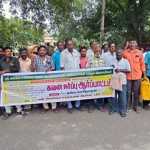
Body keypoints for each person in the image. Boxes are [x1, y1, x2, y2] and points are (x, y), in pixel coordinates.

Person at [0, 47, 24, 119]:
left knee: (15, 94)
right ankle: (8, 111)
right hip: (4, 82)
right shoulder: (1, 61)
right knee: (6, 96)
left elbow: (17, 68)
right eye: (7, 51)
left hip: (13, 80)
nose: (9, 53)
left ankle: (19, 109)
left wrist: (7, 70)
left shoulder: (15, 59)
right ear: (4, 52)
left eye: (10, 51)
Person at [123, 40, 145, 113]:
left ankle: (135, 106)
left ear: (136, 45)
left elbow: (142, 64)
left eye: (133, 44)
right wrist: (125, 47)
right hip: (128, 76)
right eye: (131, 43)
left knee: (136, 92)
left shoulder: (139, 53)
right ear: (129, 45)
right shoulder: (126, 52)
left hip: (137, 76)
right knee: (128, 92)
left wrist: (144, 75)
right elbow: (121, 57)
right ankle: (128, 106)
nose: (132, 45)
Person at [32, 45, 55, 111]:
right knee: (42, 92)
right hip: (40, 79)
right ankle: (45, 106)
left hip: (49, 78)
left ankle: (53, 106)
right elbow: (33, 69)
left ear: (46, 51)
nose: (42, 51)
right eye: (40, 50)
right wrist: (33, 62)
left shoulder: (49, 58)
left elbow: (53, 67)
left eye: (43, 50)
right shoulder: (36, 58)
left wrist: (50, 70)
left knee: (51, 91)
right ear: (38, 51)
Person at [61, 39, 80, 113]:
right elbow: (62, 66)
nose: (70, 46)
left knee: (77, 90)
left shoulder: (76, 52)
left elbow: (78, 63)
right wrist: (64, 76)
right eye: (68, 44)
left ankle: (77, 105)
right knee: (68, 90)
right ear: (66, 45)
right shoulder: (63, 53)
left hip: (77, 74)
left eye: (71, 44)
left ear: (73, 45)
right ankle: (69, 105)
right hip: (68, 75)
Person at [113, 49, 131, 117]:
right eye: (117, 53)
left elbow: (129, 70)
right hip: (114, 80)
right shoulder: (113, 61)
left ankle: (123, 111)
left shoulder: (125, 61)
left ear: (122, 54)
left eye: (120, 53)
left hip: (122, 81)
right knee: (113, 96)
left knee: (122, 97)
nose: (118, 54)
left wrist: (120, 70)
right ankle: (114, 109)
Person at [52, 41, 65, 111]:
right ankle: (59, 102)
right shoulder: (55, 55)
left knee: (65, 88)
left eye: (62, 45)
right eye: (59, 45)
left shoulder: (66, 53)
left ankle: (64, 102)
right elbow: (53, 65)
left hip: (66, 74)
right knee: (59, 88)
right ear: (57, 46)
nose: (61, 46)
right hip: (58, 74)